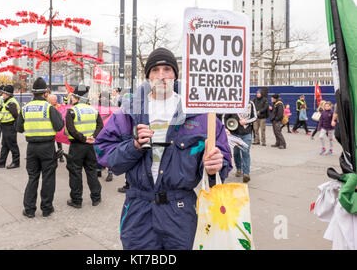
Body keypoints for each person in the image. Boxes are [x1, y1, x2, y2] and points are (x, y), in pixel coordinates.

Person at [94, 47, 232, 249]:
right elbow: (103, 152)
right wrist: (133, 146)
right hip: (139, 211)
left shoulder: (198, 113)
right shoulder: (130, 111)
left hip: (181, 211)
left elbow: (221, 160)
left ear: (175, 75)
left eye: (167, 69)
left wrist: (213, 168)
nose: (161, 76)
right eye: (155, 70)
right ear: (148, 75)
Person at [17, 77, 64, 218]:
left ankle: (29, 209)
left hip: (31, 148)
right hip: (47, 147)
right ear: (45, 93)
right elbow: (59, 126)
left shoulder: (25, 109)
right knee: (48, 178)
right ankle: (46, 208)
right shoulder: (49, 108)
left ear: (32, 93)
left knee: (33, 177)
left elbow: (18, 128)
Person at [65, 84, 103, 208]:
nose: (71, 99)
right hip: (90, 146)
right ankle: (96, 198)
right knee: (91, 170)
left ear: (76, 97)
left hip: (77, 146)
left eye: (72, 97)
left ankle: (76, 200)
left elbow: (71, 129)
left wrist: (83, 138)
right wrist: (92, 137)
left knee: (75, 172)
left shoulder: (71, 111)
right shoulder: (93, 110)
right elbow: (100, 126)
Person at [224, 100, 257, 183]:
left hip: (247, 133)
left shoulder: (251, 103)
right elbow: (225, 116)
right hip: (235, 133)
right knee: (236, 153)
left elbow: (255, 117)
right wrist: (226, 128)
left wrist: (247, 121)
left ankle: (246, 174)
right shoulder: (233, 102)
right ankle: (239, 168)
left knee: (246, 152)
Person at [0, 85, 20, 169]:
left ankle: (16, 162)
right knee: (5, 145)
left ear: (8, 94)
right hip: (5, 126)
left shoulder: (11, 102)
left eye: (4, 93)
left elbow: (16, 115)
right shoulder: (6, 101)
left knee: (12, 144)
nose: (2, 95)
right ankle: (2, 162)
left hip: (10, 126)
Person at [48, 94, 65, 163]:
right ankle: (52, 157)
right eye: (53, 100)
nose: (55, 101)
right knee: (51, 144)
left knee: (59, 143)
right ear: (49, 100)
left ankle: (61, 156)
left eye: (55, 99)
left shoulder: (59, 106)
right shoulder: (48, 107)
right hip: (50, 128)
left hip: (57, 128)